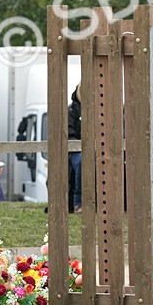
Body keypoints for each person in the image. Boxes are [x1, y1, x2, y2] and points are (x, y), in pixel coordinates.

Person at [67, 83, 82, 211]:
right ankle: (78, 201)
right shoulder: (71, 111)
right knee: (82, 161)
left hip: (94, 149)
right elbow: (69, 134)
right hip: (75, 150)